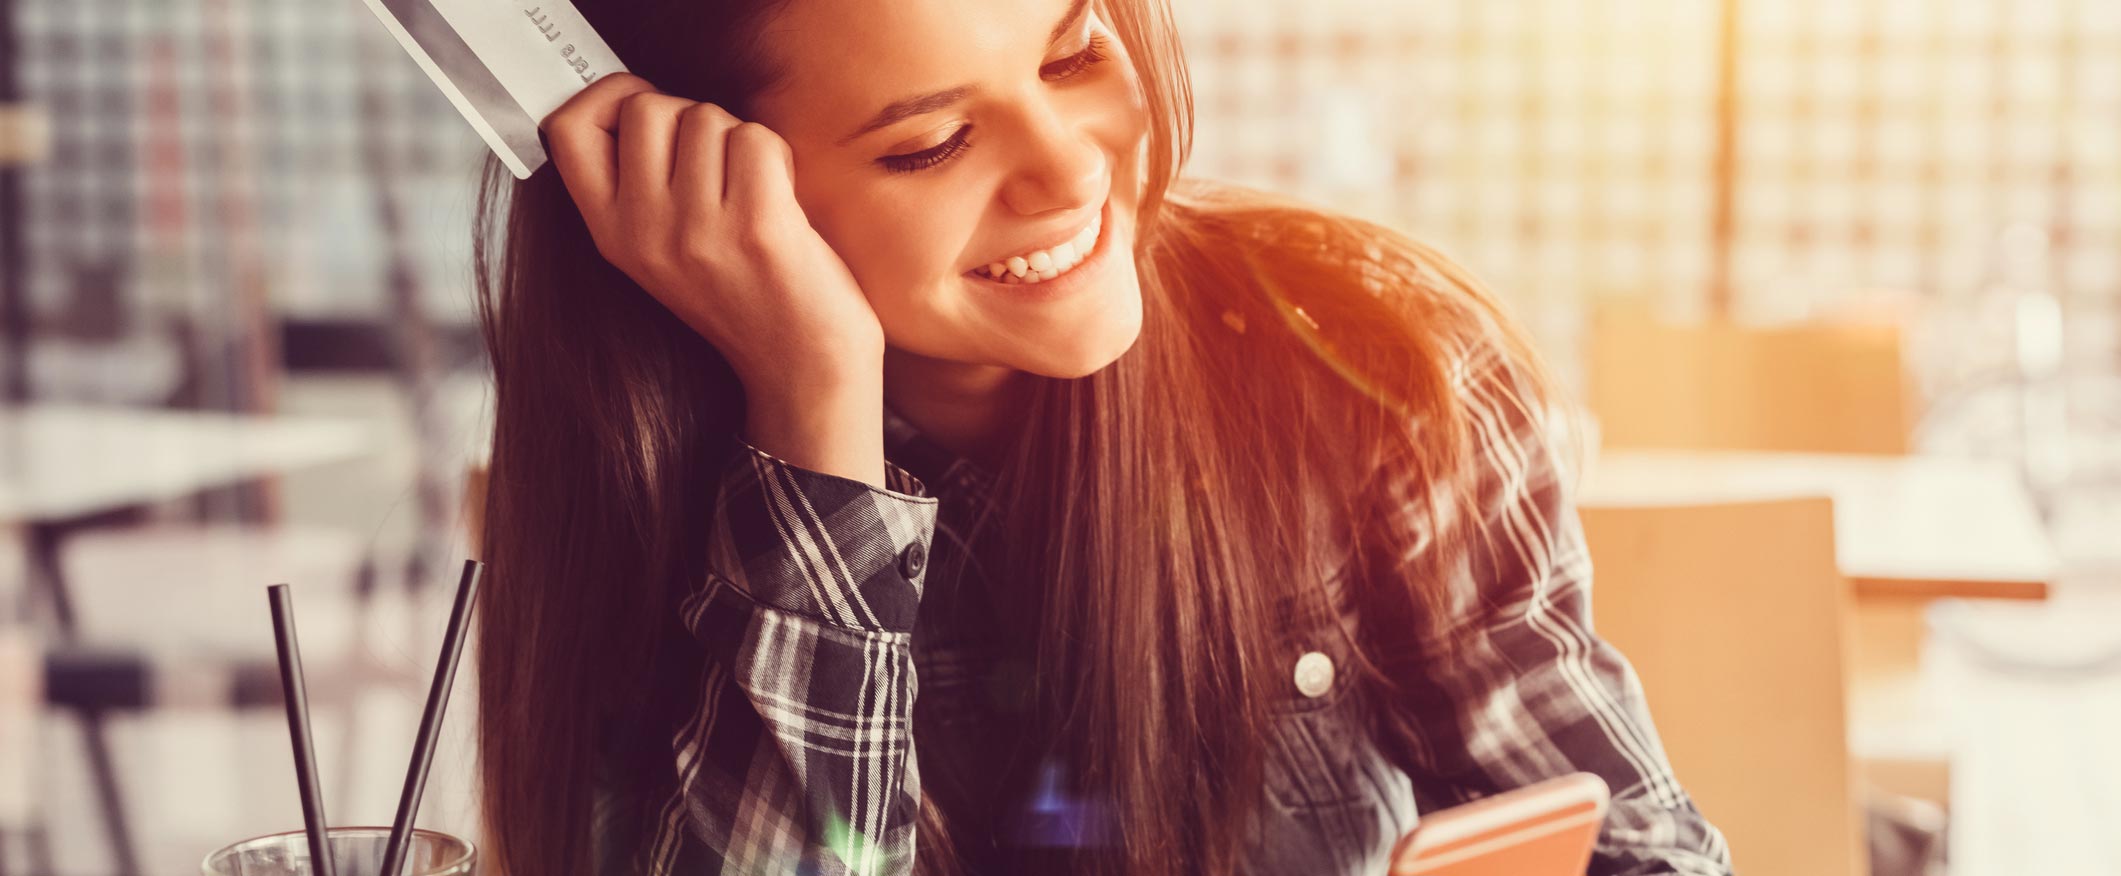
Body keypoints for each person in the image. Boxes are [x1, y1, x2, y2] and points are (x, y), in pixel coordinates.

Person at [470, 0, 1734, 873]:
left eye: (1073, 57)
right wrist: (815, 417)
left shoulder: (1378, 367)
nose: (1066, 170)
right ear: (700, 188)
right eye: (933, 143)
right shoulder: (639, 479)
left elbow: (1640, 848)